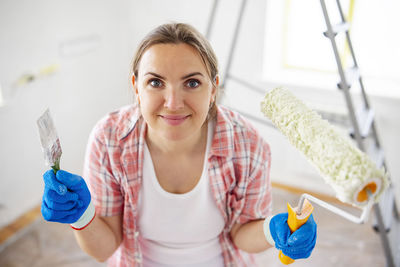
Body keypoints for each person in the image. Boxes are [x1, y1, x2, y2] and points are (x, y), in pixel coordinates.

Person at [41, 23, 317, 267]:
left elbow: (242, 236)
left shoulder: (247, 145)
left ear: (213, 89)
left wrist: (273, 230)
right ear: (136, 87)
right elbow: (104, 249)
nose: (173, 103)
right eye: (156, 82)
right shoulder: (109, 139)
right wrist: (82, 216)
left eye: (193, 82)